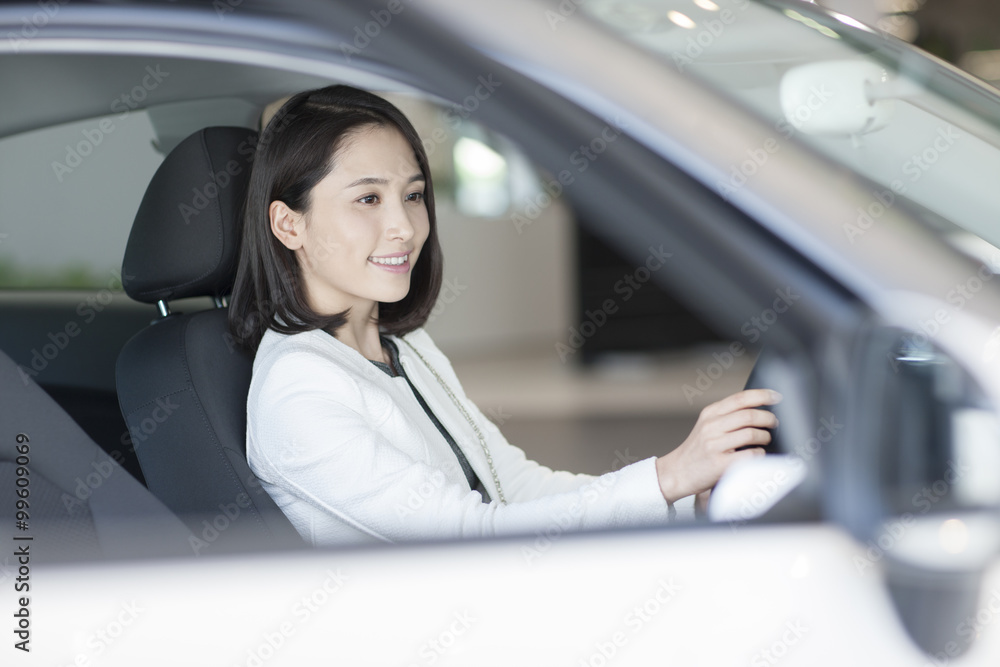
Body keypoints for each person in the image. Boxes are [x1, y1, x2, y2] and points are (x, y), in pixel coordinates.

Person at [227, 84, 780, 546]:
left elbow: (513, 486)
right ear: (288, 225)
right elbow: (467, 537)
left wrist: (682, 498)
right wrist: (666, 477)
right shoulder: (298, 390)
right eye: (368, 199)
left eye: (414, 196)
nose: (404, 226)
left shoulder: (404, 344)